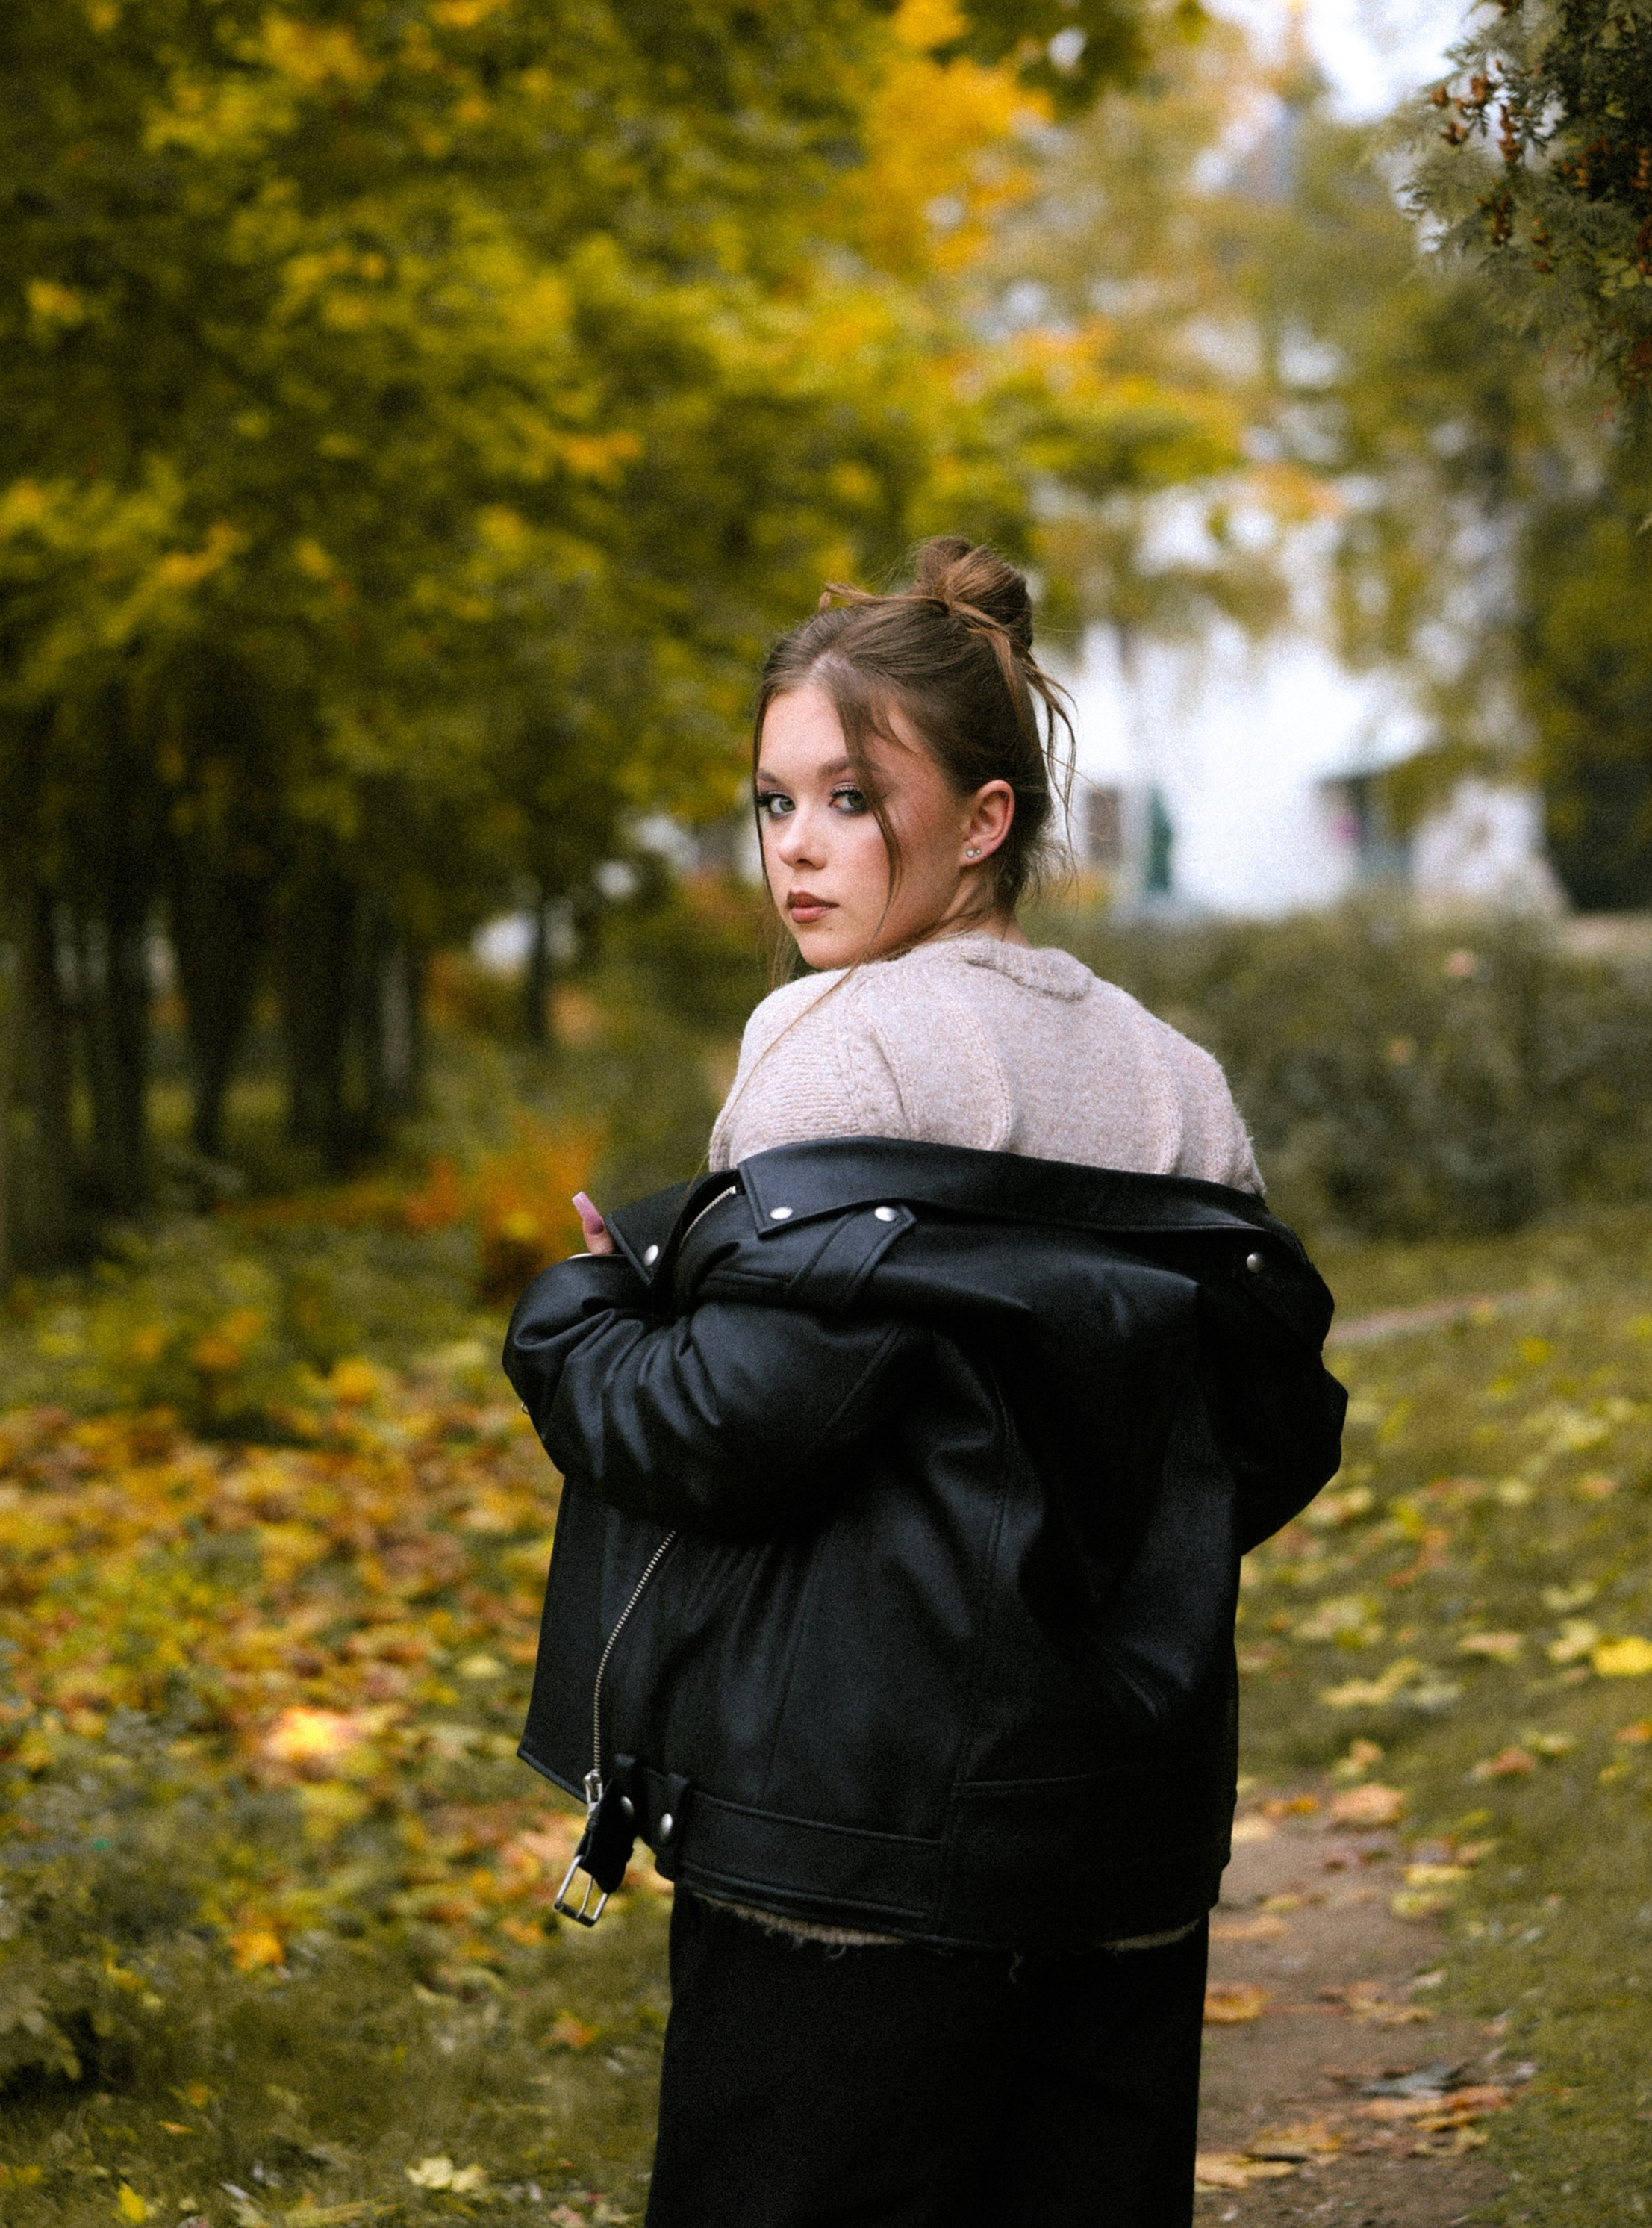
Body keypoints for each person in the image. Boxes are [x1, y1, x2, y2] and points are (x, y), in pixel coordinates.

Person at [505, 538, 1345, 2228]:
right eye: (771, 803)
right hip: (1118, 1826)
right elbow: (1241, 1444)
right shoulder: (1176, 1083)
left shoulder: (839, 1041)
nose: (797, 854)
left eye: (846, 800)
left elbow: (724, 1429)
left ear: (980, 821)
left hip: (850, 1830)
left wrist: (581, 1309)